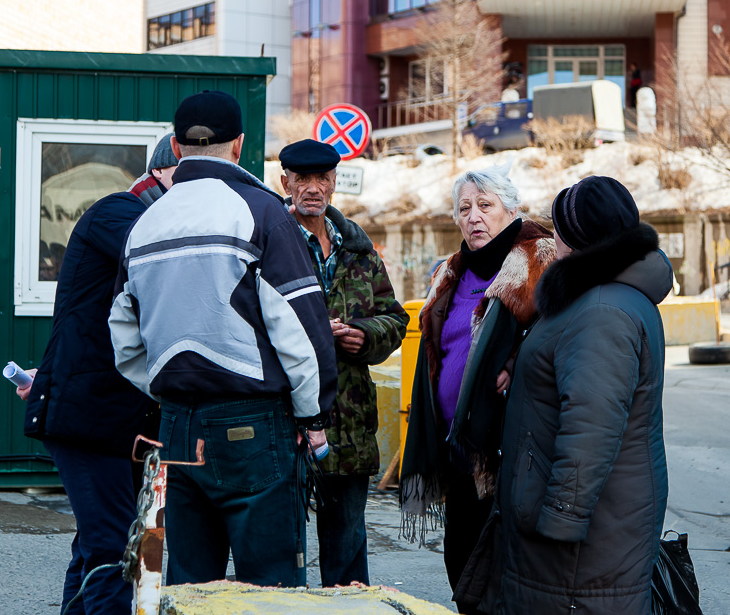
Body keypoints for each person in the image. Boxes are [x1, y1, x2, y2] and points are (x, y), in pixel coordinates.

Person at [109, 91, 338, 588]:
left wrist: (169, 388)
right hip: (254, 425)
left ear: (175, 145)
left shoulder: (143, 224)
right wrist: (314, 417)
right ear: (239, 146)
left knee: (190, 585)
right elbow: (303, 333)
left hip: (176, 425)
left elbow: (124, 338)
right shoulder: (262, 213)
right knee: (270, 588)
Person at [469, 175, 673, 614]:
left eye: (559, 229)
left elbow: (592, 423)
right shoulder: (595, 296)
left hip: (584, 534)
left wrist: (563, 517)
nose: (553, 239)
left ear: (581, 238)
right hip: (583, 519)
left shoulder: (602, 309)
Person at [20, 134, 178, 614]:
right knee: (110, 549)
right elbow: (166, 266)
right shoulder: (119, 213)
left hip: (118, 419)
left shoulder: (146, 216)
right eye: (186, 178)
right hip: (91, 417)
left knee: (97, 545)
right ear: (159, 173)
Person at [399, 162, 556, 614]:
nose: (474, 216)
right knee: (463, 568)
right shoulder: (450, 272)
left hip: (509, 451)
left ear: (511, 209)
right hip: (459, 454)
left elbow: (558, 337)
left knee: (504, 575)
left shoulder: (538, 262)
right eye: (464, 208)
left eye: (485, 205)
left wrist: (518, 358)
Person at [278, 139, 408, 587]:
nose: (312, 189)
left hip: (350, 423)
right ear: (286, 183)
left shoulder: (357, 247)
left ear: (334, 184)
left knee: (348, 552)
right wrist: (312, 335)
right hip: (287, 421)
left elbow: (394, 317)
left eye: (322, 179)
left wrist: (363, 335)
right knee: (282, 552)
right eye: (302, 180)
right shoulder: (270, 242)